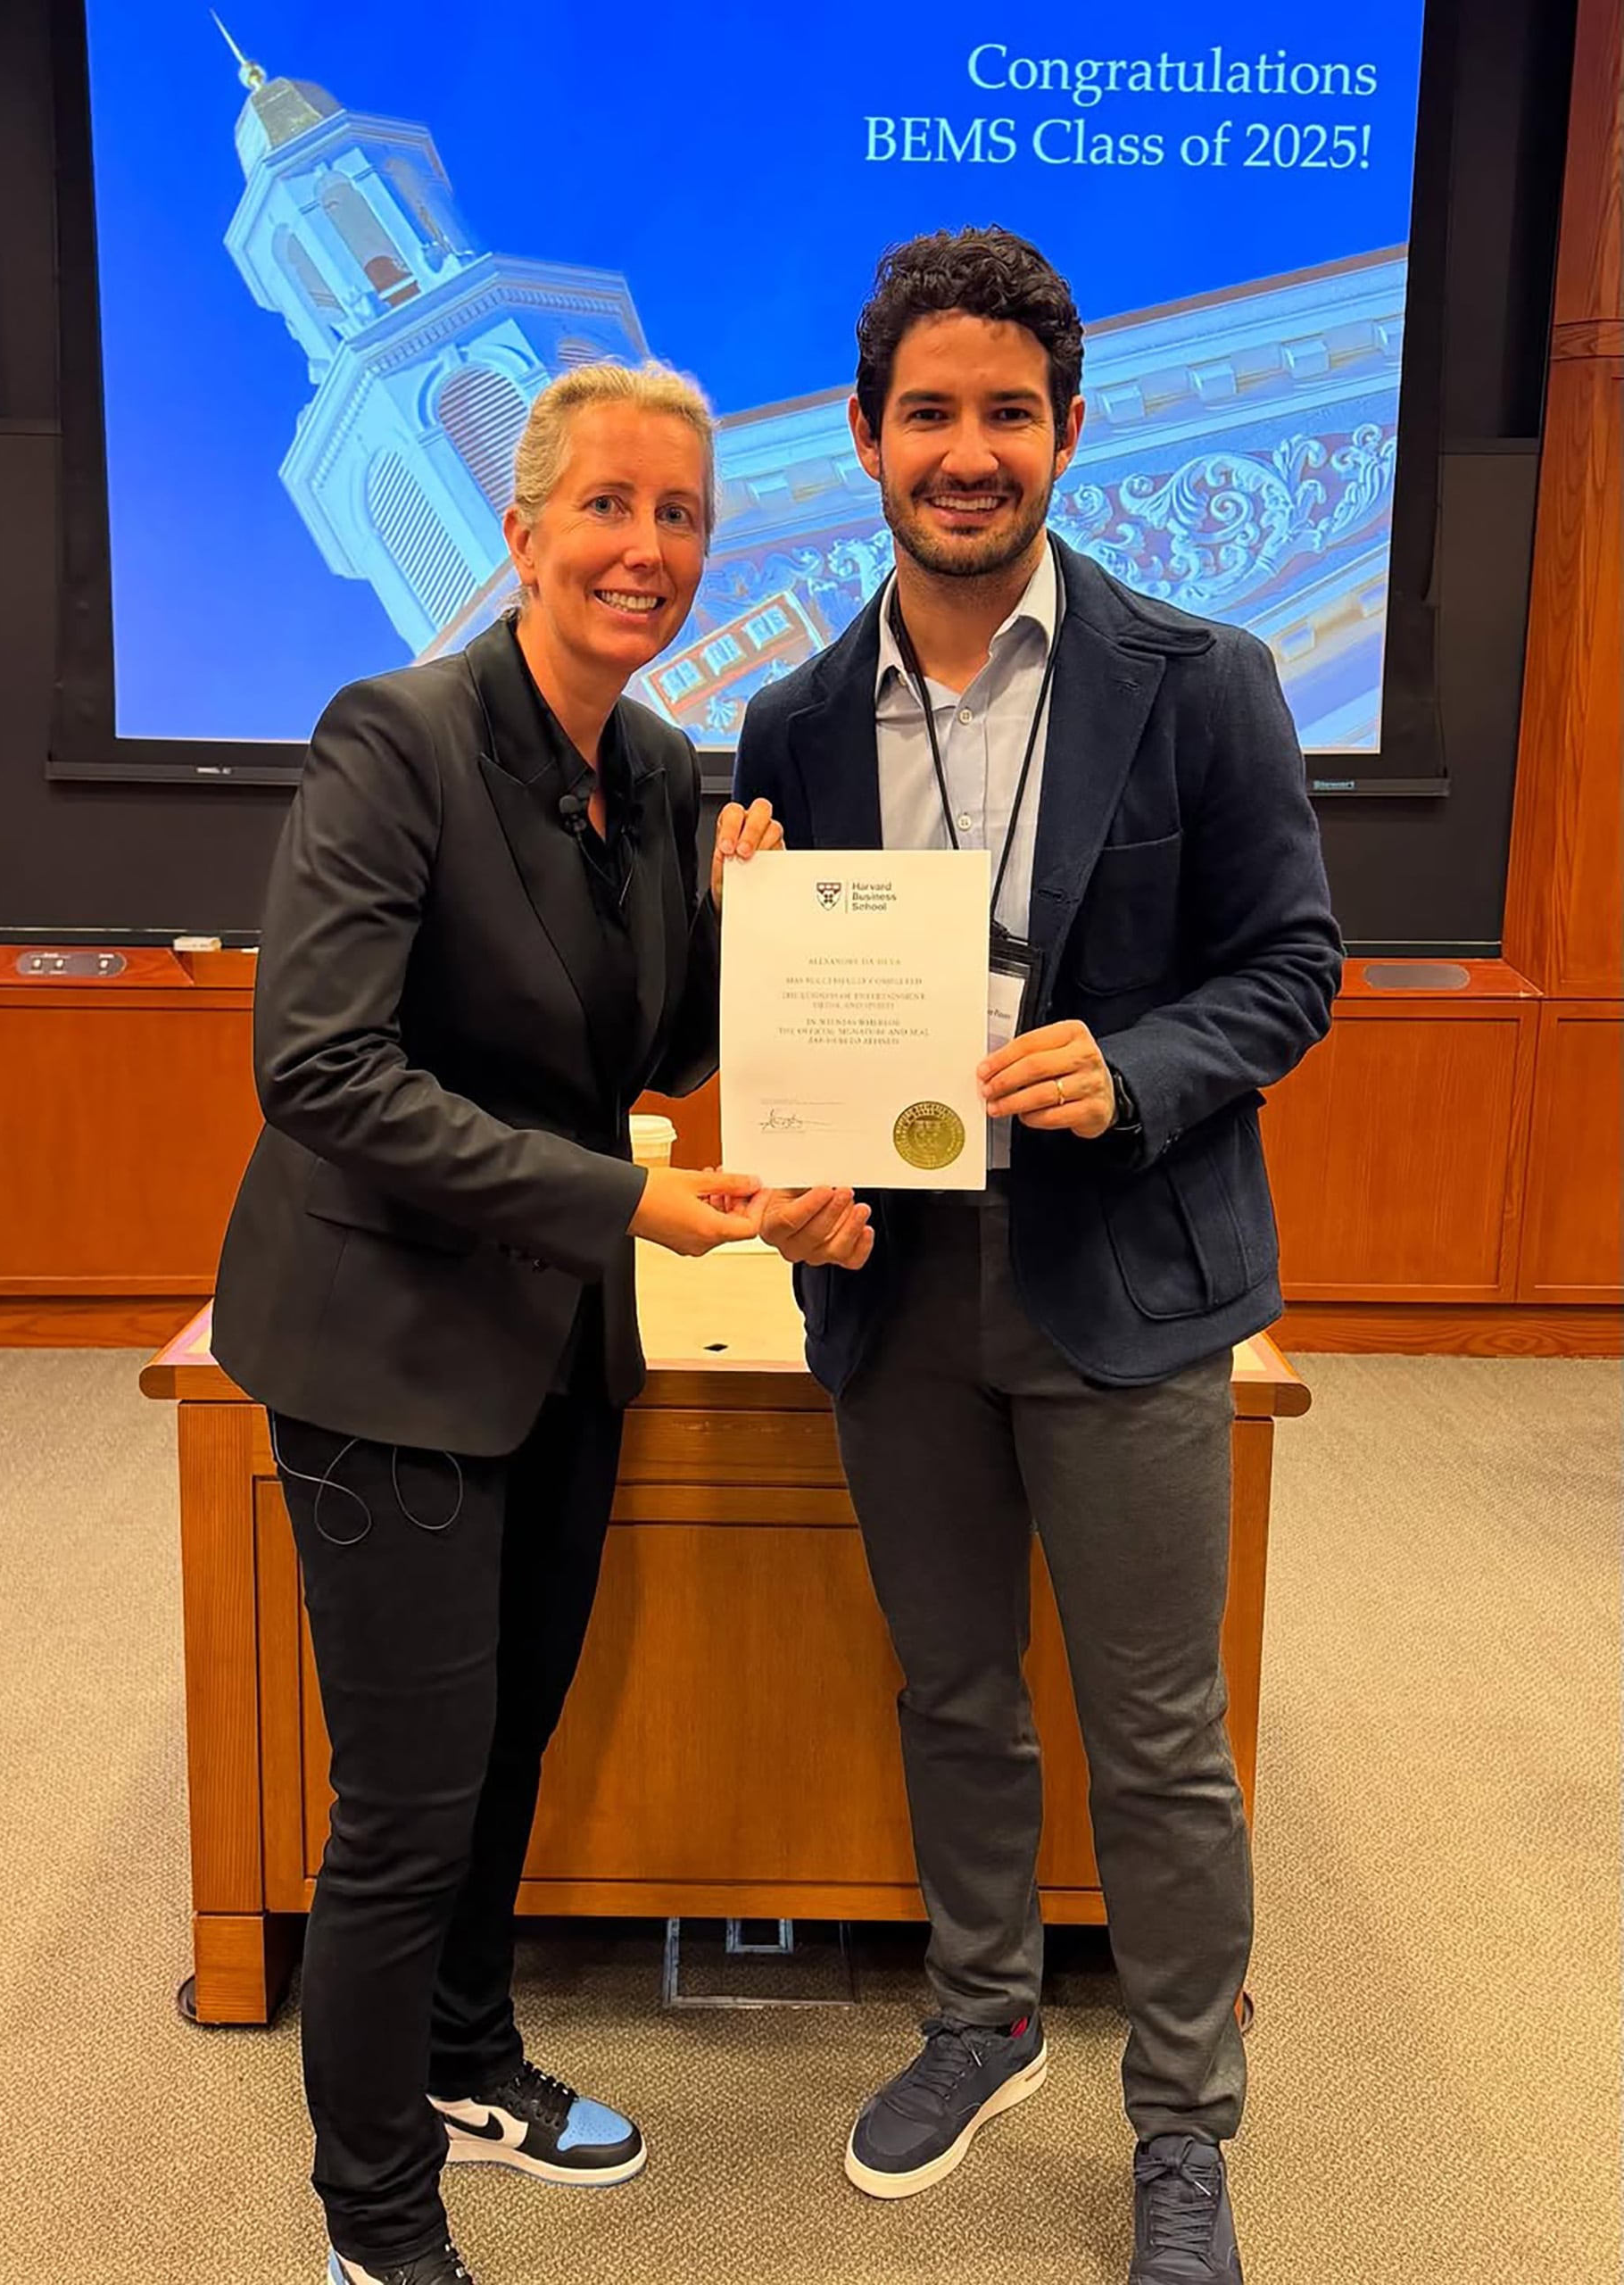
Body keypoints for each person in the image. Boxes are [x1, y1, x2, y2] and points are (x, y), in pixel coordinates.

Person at [735, 228, 1344, 2283]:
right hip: (897, 1287)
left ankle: (1184, 2121)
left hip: (1131, 1280)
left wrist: (1147, 1058)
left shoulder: (1206, 678)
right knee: (955, 1687)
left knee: (1157, 1731)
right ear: (865, 440)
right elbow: (788, 1008)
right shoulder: (794, 720)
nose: (968, 452)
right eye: (931, 414)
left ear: (1070, 434)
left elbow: (1294, 965)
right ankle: (982, 2012)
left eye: (1008, 412)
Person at [211, 361, 780, 2285]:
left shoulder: (652, 768)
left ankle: (466, 2055)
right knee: (404, 1803)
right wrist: (626, 1197)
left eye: (682, 516)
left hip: (552, 1346)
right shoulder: (400, 734)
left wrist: (754, 947)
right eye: (612, 507)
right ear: (525, 527)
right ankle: (376, 2216)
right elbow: (320, 1067)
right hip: (383, 1350)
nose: (649, 549)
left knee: (512, 1742)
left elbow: (642, 1045)